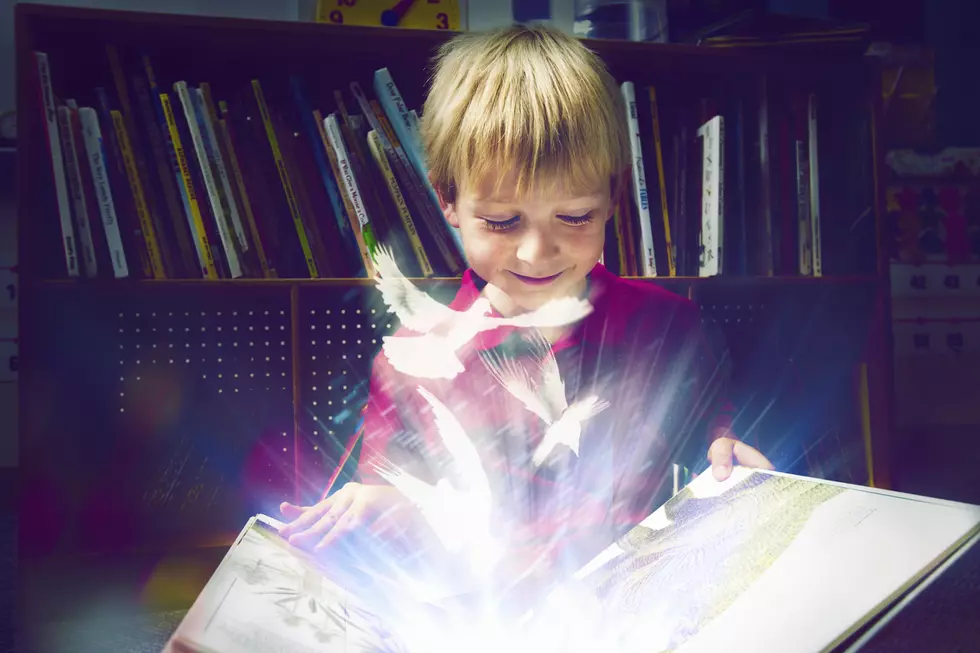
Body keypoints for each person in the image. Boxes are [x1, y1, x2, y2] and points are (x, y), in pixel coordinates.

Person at [279, 23, 773, 588]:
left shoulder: (673, 329)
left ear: (613, 196)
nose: (538, 253)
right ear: (448, 201)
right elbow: (400, 499)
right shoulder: (414, 360)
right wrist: (374, 507)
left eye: (574, 217)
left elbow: (711, 437)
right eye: (502, 221)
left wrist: (726, 454)